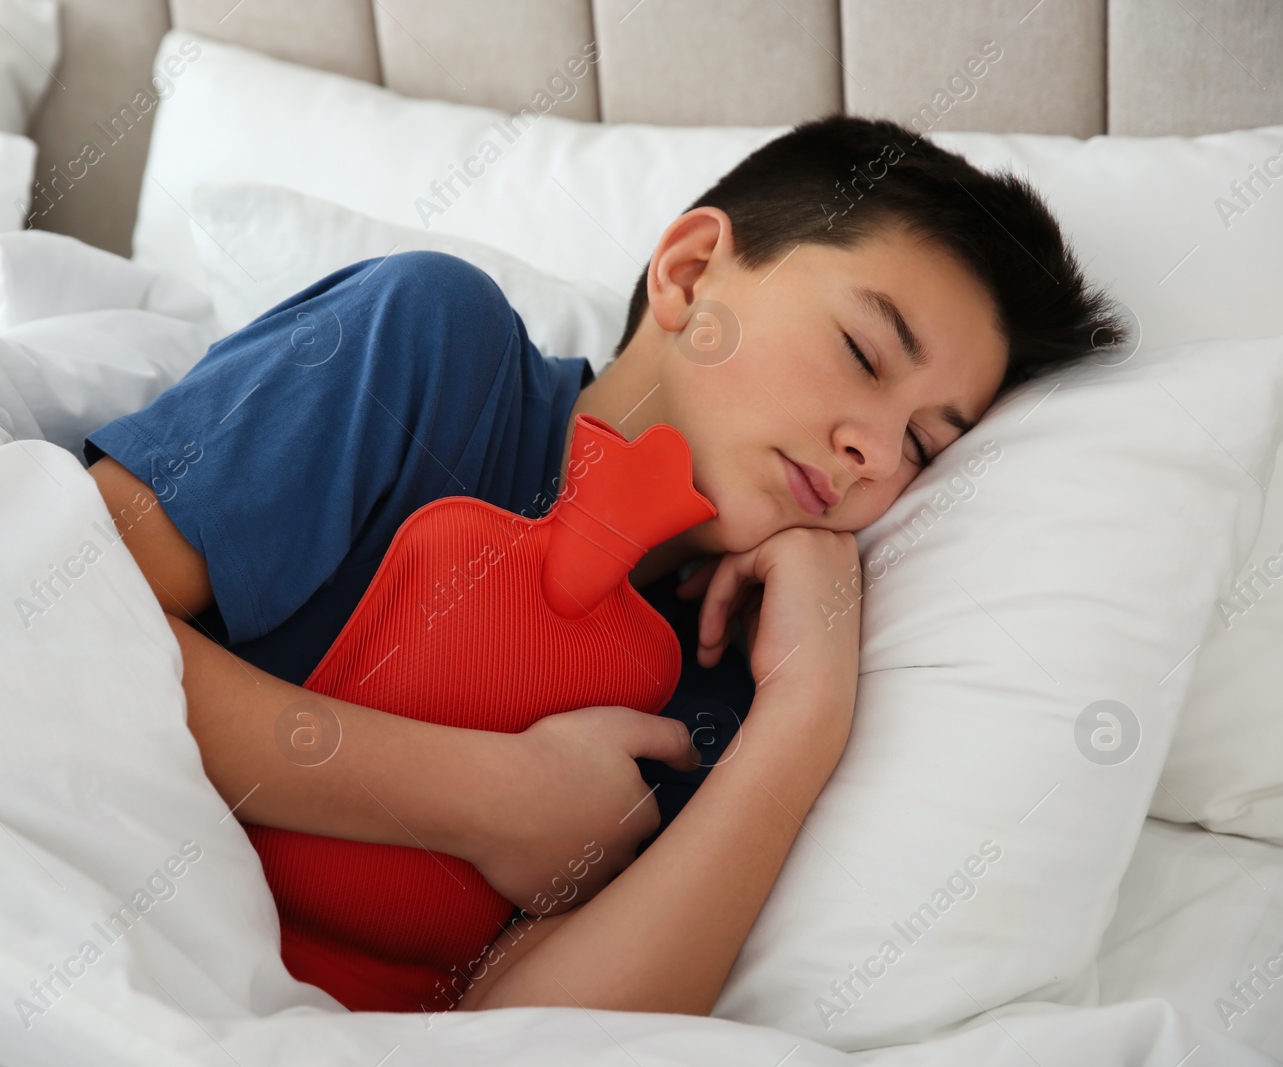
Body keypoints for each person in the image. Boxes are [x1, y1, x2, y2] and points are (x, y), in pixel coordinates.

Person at [83, 115, 1122, 1015]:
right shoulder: (431, 349)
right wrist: (488, 795)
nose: (875, 454)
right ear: (688, 274)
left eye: (924, 447)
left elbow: (535, 1031)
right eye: (861, 351)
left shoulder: (717, 678)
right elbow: (56, 614)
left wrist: (805, 713)